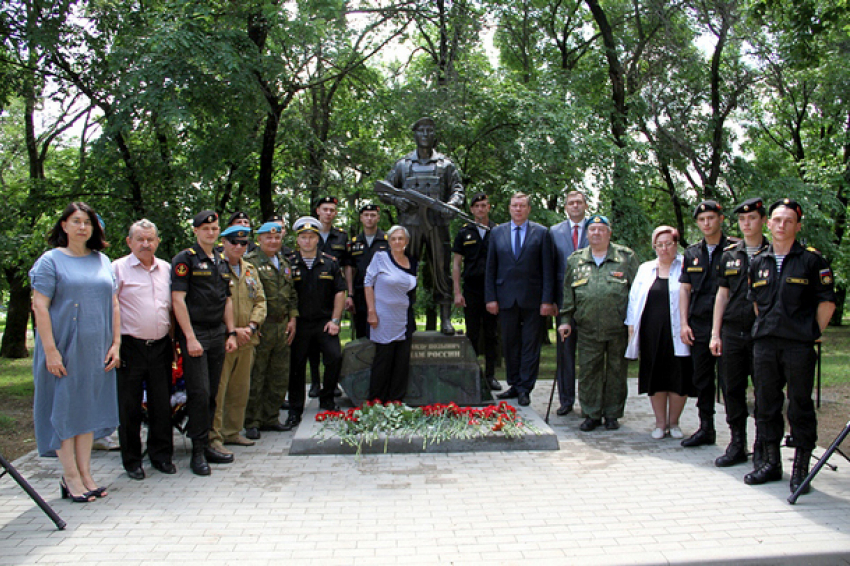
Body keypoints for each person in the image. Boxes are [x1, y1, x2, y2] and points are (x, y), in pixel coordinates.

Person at [744, 199, 835, 495]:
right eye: (776, 220)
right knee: (766, 405)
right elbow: (757, 304)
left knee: (799, 406)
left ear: (797, 225)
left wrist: (810, 333)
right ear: (768, 224)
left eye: (788, 221)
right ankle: (771, 464)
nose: (781, 225)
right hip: (765, 345)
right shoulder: (758, 261)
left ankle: (801, 470)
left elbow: (827, 303)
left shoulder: (812, 261)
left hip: (798, 346)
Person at [30, 202, 119, 502]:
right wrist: (50, 351)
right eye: (76, 221)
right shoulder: (50, 261)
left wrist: (116, 344)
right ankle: (69, 477)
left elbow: (114, 304)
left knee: (88, 411)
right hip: (65, 349)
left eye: (88, 222)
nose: (82, 227)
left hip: (97, 350)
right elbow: (39, 306)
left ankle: (86, 473)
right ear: (64, 226)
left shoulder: (103, 260)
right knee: (65, 412)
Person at [381, 117, 464, 335]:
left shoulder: (446, 165)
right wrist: (397, 201)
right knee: (404, 272)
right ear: (415, 135)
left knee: (441, 270)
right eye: (421, 130)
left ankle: (445, 319)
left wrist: (451, 205)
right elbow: (383, 189)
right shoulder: (402, 165)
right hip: (409, 228)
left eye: (430, 130)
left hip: (436, 225)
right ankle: (404, 318)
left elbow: (458, 190)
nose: (426, 134)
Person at [171, 210, 239, 476]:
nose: (211, 232)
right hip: (196, 334)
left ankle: (208, 444)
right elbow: (178, 300)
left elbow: (227, 300)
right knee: (198, 394)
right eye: (206, 228)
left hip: (217, 333)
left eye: (214, 229)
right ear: (196, 231)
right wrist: (189, 337)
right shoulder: (185, 259)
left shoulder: (221, 262)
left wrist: (231, 332)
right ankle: (197, 452)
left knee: (211, 393)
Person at [558, 216, 637, 431]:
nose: (596, 233)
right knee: (588, 372)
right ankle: (591, 414)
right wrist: (565, 320)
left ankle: (612, 414)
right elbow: (568, 293)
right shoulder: (575, 260)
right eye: (592, 229)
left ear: (609, 233)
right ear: (586, 234)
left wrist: (635, 325)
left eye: (601, 230)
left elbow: (636, 293)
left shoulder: (625, 257)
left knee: (616, 371)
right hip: (587, 327)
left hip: (617, 327)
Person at [112, 219, 175, 480]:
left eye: (151, 239)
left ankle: (161, 456)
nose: (146, 244)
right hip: (130, 346)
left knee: (162, 404)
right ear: (129, 242)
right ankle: (132, 460)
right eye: (140, 239)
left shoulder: (167, 269)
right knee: (130, 407)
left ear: (157, 241)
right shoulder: (117, 269)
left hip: (161, 345)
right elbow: (111, 308)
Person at [710, 198, 769, 468]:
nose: (747, 224)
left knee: (764, 391)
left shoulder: (774, 253)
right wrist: (715, 333)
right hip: (733, 331)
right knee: (732, 389)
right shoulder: (730, 254)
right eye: (742, 220)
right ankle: (736, 443)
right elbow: (722, 295)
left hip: (762, 333)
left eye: (752, 219)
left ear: (763, 221)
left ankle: (762, 446)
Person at [485, 192, 556, 407]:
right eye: (515, 205)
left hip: (533, 300)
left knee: (530, 346)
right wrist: (491, 298)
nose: (518, 209)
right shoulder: (497, 233)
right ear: (509, 208)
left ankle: (526, 388)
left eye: (522, 206)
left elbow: (548, 269)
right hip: (505, 299)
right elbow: (491, 268)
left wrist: (547, 300)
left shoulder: (542, 233)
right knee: (509, 344)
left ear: (528, 209)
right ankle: (514, 384)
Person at [626, 226, 694, 439]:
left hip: (677, 332)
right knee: (655, 377)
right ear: (654, 246)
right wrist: (630, 325)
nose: (664, 249)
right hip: (651, 332)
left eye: (668, 244)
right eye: (659, 244)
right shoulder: (646, 268)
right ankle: (659, 423)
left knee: (678, 378)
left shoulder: (685, 266)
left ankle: (674, 423)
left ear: (676, 244)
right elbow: (634, 297)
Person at [209, 225, 267, 455]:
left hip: (247, 339)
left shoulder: (251, 269)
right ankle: (214, 436)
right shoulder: (215, 266)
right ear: (223, 242)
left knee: (240, 389)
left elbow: (261, 301)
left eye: (243, 243)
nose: (238, 246)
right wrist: (232, 330)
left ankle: (232, 432)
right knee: (219, 390)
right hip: (225, 340)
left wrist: (251, 327)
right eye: (233, 242)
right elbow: (212, 304)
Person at [285, 217, 347, 429]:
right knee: (296, 366)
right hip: (299, 324)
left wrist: (335, 320)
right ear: (298, 240)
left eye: (311, 237)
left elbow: (340, 292)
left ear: (317, 239)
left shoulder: (330, 263)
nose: (307, 241)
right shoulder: (289, 263)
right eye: (303, 237)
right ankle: (295, 410)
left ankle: (327, 399)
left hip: (324, 322)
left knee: (334, 357)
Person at [679, 200, 730, 447]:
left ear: (720, 219)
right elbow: (685, 289)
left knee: (731, 381)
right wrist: (683, 323)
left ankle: (737, 436)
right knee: (702, 379)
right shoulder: (692, 252)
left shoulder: (734, 250)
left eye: (711, 218)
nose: (706, 223)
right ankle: (706, 428)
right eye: (702, 219)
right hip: (698, 325)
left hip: (729, 326)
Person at [243, 222, 298, 440]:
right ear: (259, 240)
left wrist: (293, 318)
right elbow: (247, 298)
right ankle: (252, 421)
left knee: (279, 375)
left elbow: (291, 294)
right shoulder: (250, 263)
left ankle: (271, 417)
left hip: (282, 326)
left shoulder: (284, 262)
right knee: (257, 374)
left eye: (277, 238)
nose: (273, 241)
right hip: (262, 327)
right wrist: (253, 325)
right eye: (268, 238)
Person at [451, 192, 500, 391]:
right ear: (471, 209)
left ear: (489, 207)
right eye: (477, 206)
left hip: (493, 290)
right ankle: (472, 374)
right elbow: (456, 264)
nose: (480, 209)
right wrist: (457, 292)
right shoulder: (464, 233)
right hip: (471, 289)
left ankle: (490, 376)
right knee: (471, 334)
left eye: (484, 205)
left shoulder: (498, 231)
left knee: (491, 334)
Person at [365, 225, 419, 402]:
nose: (397, 242)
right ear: (389, 241)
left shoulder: (412, 261)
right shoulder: (380, 258)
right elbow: (368, 283)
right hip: (382, 317)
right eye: (393, 238)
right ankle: (376, 401)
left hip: (404, 317)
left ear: (407, 242)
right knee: (383, 361)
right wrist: (371, 311)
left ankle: (396, 401)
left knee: (401, 363)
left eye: (401, 238)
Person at [550, 190, 590, 415]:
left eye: (579, 202)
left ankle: (589, 401)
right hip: (562, 303)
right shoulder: (554, 232)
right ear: (565, 207)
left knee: (589, 354)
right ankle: (566, 400)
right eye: (571, 203)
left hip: (589, 302)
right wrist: (549, 300)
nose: (575, 206)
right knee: (565, 355)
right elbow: (549, 268)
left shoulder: (596, 229)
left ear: (585, 205)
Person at [309, 196, 349, 398]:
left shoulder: (341, 236)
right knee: (312, 346)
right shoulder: (309, 234)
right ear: (318, 211)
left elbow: (347, 266)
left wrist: (348, 293)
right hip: (311, 293)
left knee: (331, 342)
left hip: (333, 292)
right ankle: (315, 382)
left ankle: (331, 384)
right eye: (325, 209)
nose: (328, 213)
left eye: (332, 210)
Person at [344, 203, 389, 339]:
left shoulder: (387, 241)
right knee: (362, 332)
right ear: (361, 218)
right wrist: (350, 294)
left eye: (373, 215)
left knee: (383, 329)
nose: (369, 218)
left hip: (383, 293)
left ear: (378, 218)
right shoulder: (353, 243)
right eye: (366, 215)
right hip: (360, 293)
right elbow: (349, 270)